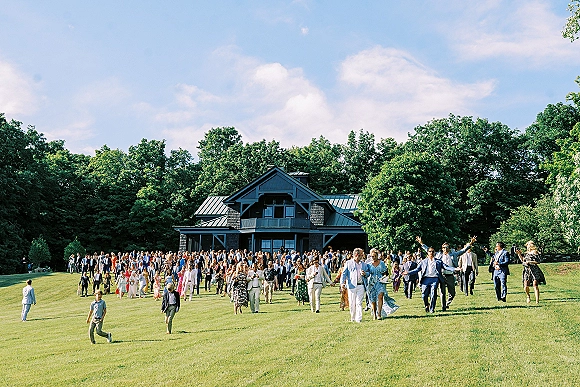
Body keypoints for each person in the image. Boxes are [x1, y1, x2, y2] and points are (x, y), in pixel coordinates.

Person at [418, 236, 475, 310]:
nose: (445, 249)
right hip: (441, 275)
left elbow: (463, 251)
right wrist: (421, 243)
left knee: (452, 293)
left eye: (447, 247)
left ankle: (448, 303)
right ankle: (443, 307)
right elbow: (427, 250)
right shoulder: (438, 255)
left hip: (450, 275)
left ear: (449, 248)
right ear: (442, 248)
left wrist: (470, 243)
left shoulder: (453, 254)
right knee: (442, 292)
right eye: (444, 247)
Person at [403, 245, 460, 313]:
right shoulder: (423, 262)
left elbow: (446, 267)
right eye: (430, 251)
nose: (431, 253)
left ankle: (432, 309)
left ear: (434, 253)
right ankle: (427, 304)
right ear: (427, 253)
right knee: (424, 295)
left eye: (433, 251)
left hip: (435, 279)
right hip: (425, 279)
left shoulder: (438, 261)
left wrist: (455, 269)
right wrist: (408, 272)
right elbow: (417, 269)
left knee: (433, 294)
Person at [367, 251, 398, 319]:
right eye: (372, 256)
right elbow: (368, 273)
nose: (374, 257)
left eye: (375, 256)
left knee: (380, 296)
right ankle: (374, 313)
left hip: (380, 282)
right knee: (373, 299)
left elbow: (385, 272)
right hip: (372, 283)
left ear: (377, 256)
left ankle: (379, 314)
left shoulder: (381, 263)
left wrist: (384, 278)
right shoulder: (368, 264)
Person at [341, 248, 369, 322]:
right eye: (361, 255)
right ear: (357, 255)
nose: (362, 256)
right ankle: (353, 317)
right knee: (352, 303)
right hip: (351, 285)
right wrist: (342, 283)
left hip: (361, 285)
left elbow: (368, 273)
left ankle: (358, 318)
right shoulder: (348, 263)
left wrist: (365, 274)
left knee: (359, 302)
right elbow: (344, 274)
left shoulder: (364, 264)